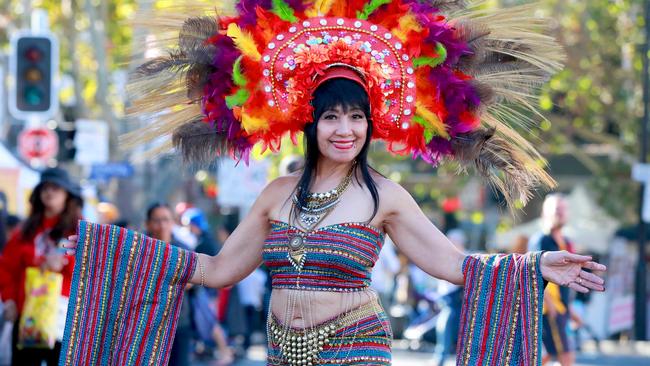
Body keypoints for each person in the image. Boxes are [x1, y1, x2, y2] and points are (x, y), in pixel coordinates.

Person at [62, 1, 607, 365]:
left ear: (371, 124)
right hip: (282, 350)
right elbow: (216, 269)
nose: (344, 129)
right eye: (331, 117)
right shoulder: (275, 194)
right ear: (310, 123)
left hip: (356, 346)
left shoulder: (385, 197)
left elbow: (455, 265)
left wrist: (535, 265)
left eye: (356, 117)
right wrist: (107, 250)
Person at [0, 167, 82, 366]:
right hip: (28, 315)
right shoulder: (25, 230)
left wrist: (64, 262)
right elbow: (6, 268)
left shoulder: (81, 231)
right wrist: (9, 300)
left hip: (64, 319)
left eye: (56, 188)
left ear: (68, 195)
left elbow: (90, 271)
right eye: (45, 188)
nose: (49, 192)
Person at [535, 194, 579, 366]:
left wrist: (571, 310)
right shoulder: (542, 240)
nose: (560, 213)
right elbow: (534, 272)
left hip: (561, 308)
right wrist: (550, 304)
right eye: (556, 210)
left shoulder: (566, 242)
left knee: (550, 355)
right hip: (549, 309)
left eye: (562, 209)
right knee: (565, 356)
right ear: (546, 213)